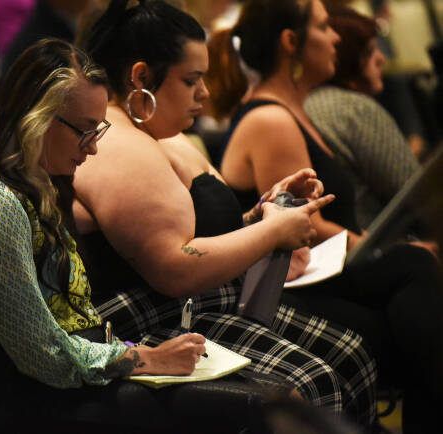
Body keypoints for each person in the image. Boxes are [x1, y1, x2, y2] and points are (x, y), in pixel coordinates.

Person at [0, 37, 290, 434]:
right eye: (84, 132)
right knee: (255, 410)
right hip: (21, 399)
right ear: (37, 117)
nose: (91, 150)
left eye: (98, 131)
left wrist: (133, 355)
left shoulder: (34, 181)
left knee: (264, 397)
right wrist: (146, 359)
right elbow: (45, 356)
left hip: (57, 379)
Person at [69, 0, 377, 427]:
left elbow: (202, 234)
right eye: (191, 79)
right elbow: (174, 268)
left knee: (351, 356)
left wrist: (264, 216)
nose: (206, 93)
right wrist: (271, 233)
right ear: (140, 77)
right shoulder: (115, 141)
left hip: (201, 302)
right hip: (153, 319)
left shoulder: (159, 135)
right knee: (314, 381)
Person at [209, 0, 443, 431]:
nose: (335, 35)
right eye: (322, 27)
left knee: (413, 273)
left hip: (318, 277)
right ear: (291, 43)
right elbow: (306, 227)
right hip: (286, 290)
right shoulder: (271, 118)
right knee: (413, 267)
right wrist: (391, 249)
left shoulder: (297, 111)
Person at [303, 7, 419, 228]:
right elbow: (415, 192)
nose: (381, 59)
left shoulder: (305, 105)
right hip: (385, 242)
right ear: (345, 63)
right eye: (368, 53)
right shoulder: (354, 109)